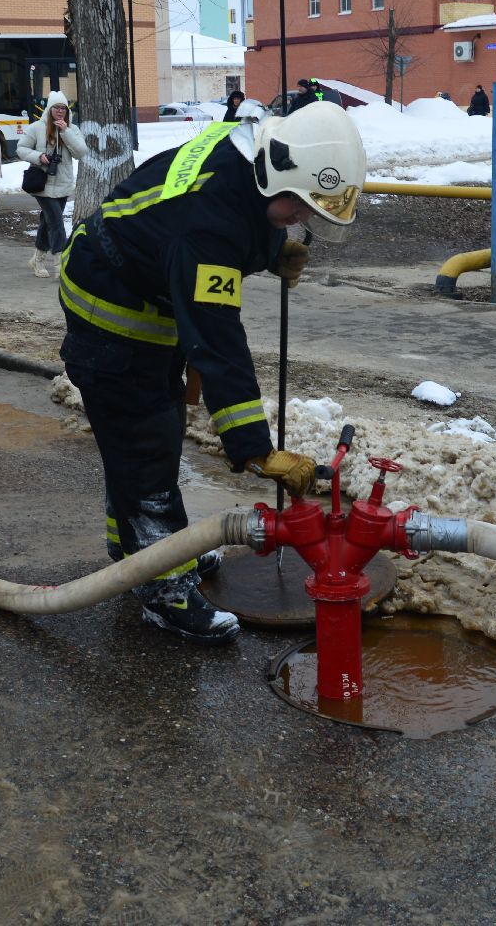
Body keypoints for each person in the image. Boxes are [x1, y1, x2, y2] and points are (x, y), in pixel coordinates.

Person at [57, 101, 367, 644]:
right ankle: (165, 588)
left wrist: (273, 250)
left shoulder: (245, 149)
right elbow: (218, 343)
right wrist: (255, 447)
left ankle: (140, 549)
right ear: (279, 173)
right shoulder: (207, 233)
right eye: (300, 209)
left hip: (143, 282)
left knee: (148, 437)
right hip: (108, 309)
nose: (301, 220)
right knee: (144, 439)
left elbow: (250, 210)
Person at [16, 90, 88, 277]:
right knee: (56, 222)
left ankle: (37, 259)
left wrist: (66, 132)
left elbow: (81, 152)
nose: (60, 111)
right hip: (42, 184)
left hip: (63, 183)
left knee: (47, 223)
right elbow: (21, 149)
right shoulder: (36, 128)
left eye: (63, 108)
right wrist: (39, 156)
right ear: (49, 109)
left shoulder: (71, 128)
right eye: (56, 107)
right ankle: (61, 264)